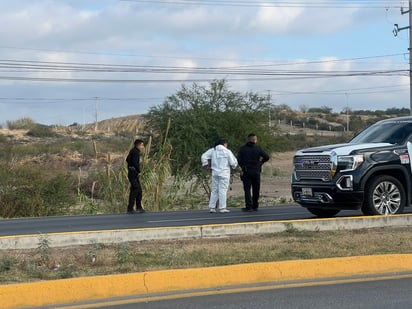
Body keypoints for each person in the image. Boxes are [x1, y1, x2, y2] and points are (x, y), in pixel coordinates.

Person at [201, 138, 238, 213]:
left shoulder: (213, 150)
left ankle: (212, 207)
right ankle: (222, 208)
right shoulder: (227, 151)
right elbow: (233, 163)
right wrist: (234, 166)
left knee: (214, 190)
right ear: (224, 144)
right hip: (224, 174)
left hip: (215, 173)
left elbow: (203, 156)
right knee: (222, 190)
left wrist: (205, 165)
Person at [237, 133, 270, 212]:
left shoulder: (242, 149)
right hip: (256, 171)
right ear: (254, 140)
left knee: (247, 189)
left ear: (249, 139)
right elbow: (267, 157)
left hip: (246, 171)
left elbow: (238, 160)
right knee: (256, 189)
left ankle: (248, 206)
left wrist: (243, 166)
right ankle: (255, 205)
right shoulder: (258, 148)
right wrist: (260, 163)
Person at [126, 139, 146, 214]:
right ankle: (130, 208)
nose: (142, 147)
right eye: (142, 145)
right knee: (136, 189)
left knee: (138, 190)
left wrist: (129, 166)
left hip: (132, 173)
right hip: (133, 173)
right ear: (138, 145)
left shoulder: (133, 151)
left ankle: (138, 207)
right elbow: (135, 163)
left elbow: (127, 159)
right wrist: (138, 171)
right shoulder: (135, 152)